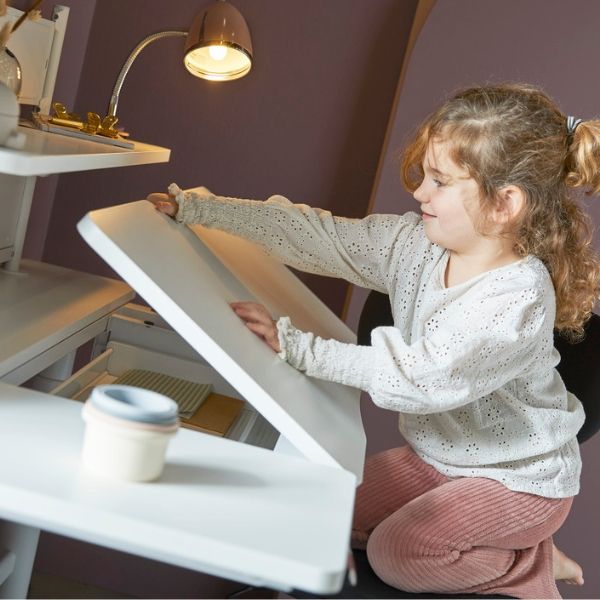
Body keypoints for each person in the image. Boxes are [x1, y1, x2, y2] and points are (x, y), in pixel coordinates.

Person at [147, 83, 600, 598]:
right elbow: (319, 236)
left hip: (518, 480)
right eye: (425, 176)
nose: (420, 193)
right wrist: (205, 212)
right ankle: (511, 545)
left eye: (440, 181)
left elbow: (421, 378)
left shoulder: (516, 298)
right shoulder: (415, 245)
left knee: (397, 555)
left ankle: (530, 565)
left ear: (503, 204)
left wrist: (298, 348)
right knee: (323, 515)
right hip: (437, 459)